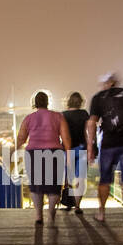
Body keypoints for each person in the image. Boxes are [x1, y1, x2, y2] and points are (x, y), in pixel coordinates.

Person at [86, 72, 123, 229]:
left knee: (104, 179)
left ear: (105, 84)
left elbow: (91, 123)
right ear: (116, 83)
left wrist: (91, 145)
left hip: (109, 144)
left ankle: (101, 213)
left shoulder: (99, 98)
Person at [16, 90, 72, 226]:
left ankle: (38, 215)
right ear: (48, 102)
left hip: (33, 153)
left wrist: (15, 150)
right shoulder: (58, 116)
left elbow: (21, 138)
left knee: (36, 186)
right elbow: (66, 138)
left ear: (34, 103)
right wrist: (68, 154)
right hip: (54, 152)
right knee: (54, 186)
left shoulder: (29, 118)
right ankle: (51, 212)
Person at [60, 92, 89, 211]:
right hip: (82, 148)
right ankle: (77, 205)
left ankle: (67, 201)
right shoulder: (84, 114)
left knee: (67, 177)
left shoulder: (63, 115)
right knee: (80, 177)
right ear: (81, 102)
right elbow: (88, 132)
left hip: (67, 149)